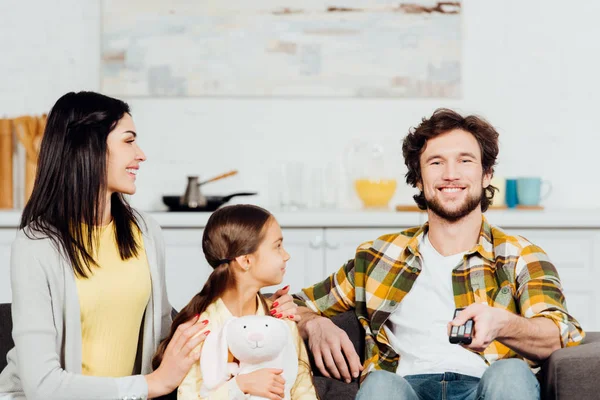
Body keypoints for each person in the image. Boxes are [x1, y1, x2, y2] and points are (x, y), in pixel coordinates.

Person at [287, 108, 585, 400]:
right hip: (403, 387)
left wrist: (503, 324)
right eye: (436, 162)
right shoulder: (377, 256)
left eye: (465, 161)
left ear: (486, 175)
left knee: (510, 374)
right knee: (380, 385)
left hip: (487, 385)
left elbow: (559, 334)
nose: (451, 174)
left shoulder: (521, 255)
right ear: (418, 178)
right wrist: (314, 324)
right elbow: (285, 305)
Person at [153, 204, 317, 400]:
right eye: (278, 246)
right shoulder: (200, 331)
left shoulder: (281, 322)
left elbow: (302, 388)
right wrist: (240, 386)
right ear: (246, 260)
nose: (286, 255)